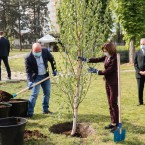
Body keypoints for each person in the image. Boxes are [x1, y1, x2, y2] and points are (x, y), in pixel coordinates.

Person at [78, 42, 118, 133]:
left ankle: (116, 124)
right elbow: (97, 59)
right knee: (109, 103)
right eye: (104, 51)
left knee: (113, 103)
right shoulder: (107, 57)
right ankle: (112, 123)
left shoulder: (115, 58)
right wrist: (86, 59)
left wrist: (96, 71)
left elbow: (108, 71)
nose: (104, 52)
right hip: (107, 82)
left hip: (114, 83)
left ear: (110, 50)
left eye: (105, 51)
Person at [25, 43, 57, 118]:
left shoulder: (45, 51)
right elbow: (28, 72)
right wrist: (30, 81)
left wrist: (54, 69)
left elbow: (52, 60)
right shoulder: (28, 58)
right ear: (32, 50)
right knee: (34, 94)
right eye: (36, 52)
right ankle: (30, 113)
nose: (38, 53)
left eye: (39, 51)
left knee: (47, 92)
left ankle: (45, 110)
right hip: (36, 77)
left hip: (45, 76)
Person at [134, 38, 145, 106]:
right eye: (141, 44)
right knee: (140, 88)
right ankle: (140, 102)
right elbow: (135, 64)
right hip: (139, 74)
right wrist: (139, 71)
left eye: (144, 44)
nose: (142, 45)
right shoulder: (137, 52)